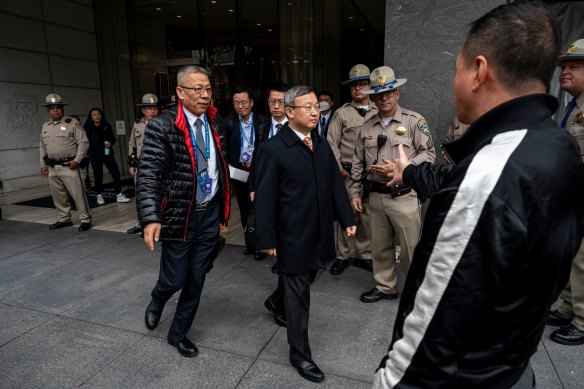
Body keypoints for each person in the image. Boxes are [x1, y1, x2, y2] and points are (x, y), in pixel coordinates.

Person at [373, 4, 584, 388]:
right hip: (512, 367)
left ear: (479, 71)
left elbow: (425, 347)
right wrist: (408, 171)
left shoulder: (484, 180)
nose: (453, 81)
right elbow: (459, 177)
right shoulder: (556, 146)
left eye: (456, 69)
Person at [255, 85, 356, 382]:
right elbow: (263, 198)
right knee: (300, 297)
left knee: (307, 277)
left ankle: (276, 300)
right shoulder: (272, 150)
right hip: (291, 235)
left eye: (317, 107)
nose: (315, 112)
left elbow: (335, 184)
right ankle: (300, 354)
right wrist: (267, 238)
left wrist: (346, 217)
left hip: (320, 230)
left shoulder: (321, 144)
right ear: (289, 112)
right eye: (307, 107)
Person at [137, 65, 230, 358]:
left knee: (196, 278)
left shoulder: (215, 123)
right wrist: (151, 216)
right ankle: (158, 297)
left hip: (209, 214)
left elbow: (218, 168)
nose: (205, 95)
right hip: (180, 215)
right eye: (197, 89)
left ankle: (178, 334)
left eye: (208, 89)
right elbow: (149, 172)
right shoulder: (162, 126)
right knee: (174, 278)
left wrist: (223, 212)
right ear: (180, 92)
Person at [349, 66, 435, 303]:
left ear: (397, 93)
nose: (384, 97)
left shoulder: (413, 121)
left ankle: (418, 290)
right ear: (373, 97)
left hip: (403, 196)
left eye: (389, 92)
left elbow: (428, 154)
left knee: (410, 248)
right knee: (380, 248)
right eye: (379, 94)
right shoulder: (367, 126)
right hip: (375, 197)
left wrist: (402, 169)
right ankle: (385, 286)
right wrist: (355, 191)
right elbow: (358, 161)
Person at [546, 38, 584, 346]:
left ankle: (582, 321)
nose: (565, 72)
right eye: (564, 67)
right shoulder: (574, 106)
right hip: (571, 195)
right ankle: (570, 308)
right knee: (574, 254)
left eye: (574, 66)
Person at [327, 64, 378, 275]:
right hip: (347, 174)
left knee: (366, 216)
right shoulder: (341, 113)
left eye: (363, 84)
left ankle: (363, 255)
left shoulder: (378, 111)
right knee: (345, 214)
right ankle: (343, 255)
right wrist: (339, 169)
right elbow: (331, 143)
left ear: (369, 86)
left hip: (371, 174)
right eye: (354, 85)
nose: (358, 88)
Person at [224, 87, 268, 258]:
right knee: (244, 209)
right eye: (236, 103)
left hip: (258, 171)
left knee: (260, 208)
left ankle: (262, 245)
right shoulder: (229, 122)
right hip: (239, 172)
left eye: (243, 102)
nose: (240, 106)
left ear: (251, 103)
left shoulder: (263, 121)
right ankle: (250, 243)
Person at [39, 94, 92, 232]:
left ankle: (85, 219)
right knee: (58, 195)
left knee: (78, 194)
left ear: (62, 109)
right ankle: (64, 219)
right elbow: (42, 146)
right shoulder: (46, 126)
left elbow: (83, 143)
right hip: (52, 167)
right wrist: (42, 165)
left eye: (58, 107)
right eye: (52, 108)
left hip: (70, 166)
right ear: (48, 110)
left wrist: (77, 160)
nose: (55, 110)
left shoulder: (73, 123)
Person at [127, 93, 160, 235]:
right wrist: (132, 164)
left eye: (155, 108)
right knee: (141, 195)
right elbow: (132, 145)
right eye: (149, 108)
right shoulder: (137, 125)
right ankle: (141, 223)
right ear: (143, 110)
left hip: (158, 166)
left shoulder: (162, 123)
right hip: (141, 167)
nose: (152, 111)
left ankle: (158, 223)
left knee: (158, 195)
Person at [83, 108, 130, 206]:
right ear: (91, 117)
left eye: (98, 114)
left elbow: (112, 138)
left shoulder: (106, 125)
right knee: (98, 175)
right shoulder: (87, 127)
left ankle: (119, 194)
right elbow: (85, 142)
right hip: (95, 154)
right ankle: (99, 195)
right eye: (94, 115)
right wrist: (90, 152)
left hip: (107, 152)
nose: (97, 116)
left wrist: (110, 143)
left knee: (115, 172)